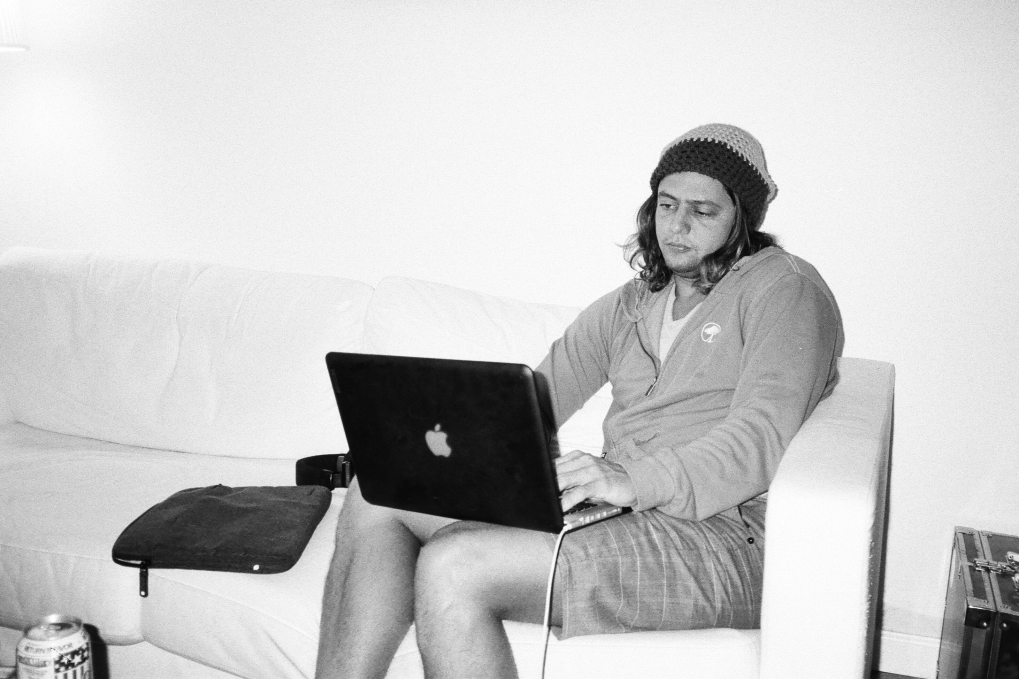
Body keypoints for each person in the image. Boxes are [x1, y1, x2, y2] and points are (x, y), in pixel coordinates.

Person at [314, 123, 844, 679]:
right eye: (667, 205)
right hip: (623, 514)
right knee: (376, 492)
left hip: (724, 537)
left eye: (703, 211)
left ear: (744, 219)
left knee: (454, 563)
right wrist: (439, 452)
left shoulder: (785, 289)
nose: (677, 226)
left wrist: (633, 479)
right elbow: (529, 406)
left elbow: (762, 436)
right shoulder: (633, 304)